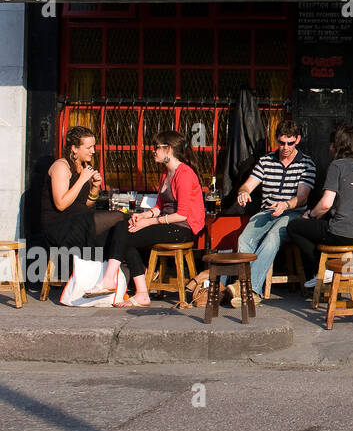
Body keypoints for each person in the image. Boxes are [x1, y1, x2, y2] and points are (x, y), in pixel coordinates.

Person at [86, 130, 205, 307]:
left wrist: (149, 222)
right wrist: (143, 215)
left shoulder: (185, 174)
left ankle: (114, 281)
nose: (153, 151)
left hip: (183, 228)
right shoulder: (166, 174)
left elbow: (182, 214)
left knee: (124, 231)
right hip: (168, 222)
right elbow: (159, 207)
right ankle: (139, 292)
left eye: (157, 147)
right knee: (125, 227)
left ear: (169, 149)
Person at [231, 119, 316, 303]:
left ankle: (250, 289)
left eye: (290, 143)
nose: (285, 147)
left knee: (272, 238)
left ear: (298, 140)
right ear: (276, 139)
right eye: (282, 142)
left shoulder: (306, 163)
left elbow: (302, 198)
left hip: (293, 214)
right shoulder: (266, 160)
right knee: (244, 239)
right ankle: (243, 285)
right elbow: (248, 185)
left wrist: (285, 204)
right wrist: (243, 193)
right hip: (267, 212)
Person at [287, 125, 353, 284]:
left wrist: (309, 215)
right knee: (323, 227)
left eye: (331, 144)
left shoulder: (338, 166)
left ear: (337, 146)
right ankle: (331, 269)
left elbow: (325, 204)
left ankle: (324, 268)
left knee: (294, 227)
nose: (329, 148)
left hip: (341, 233)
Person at [40, 126, 121, 265]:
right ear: (75, 148)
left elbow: (86, 204)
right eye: (89, 147)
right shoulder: (61, 167)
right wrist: (82, 179)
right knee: (120, 217)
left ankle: (133, 273)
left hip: (79, 221)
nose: (93, 151)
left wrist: (95, 187)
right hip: (59, 226)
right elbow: (61, 204)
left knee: (119, 230)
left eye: (93, 146)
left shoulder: (83, 167)